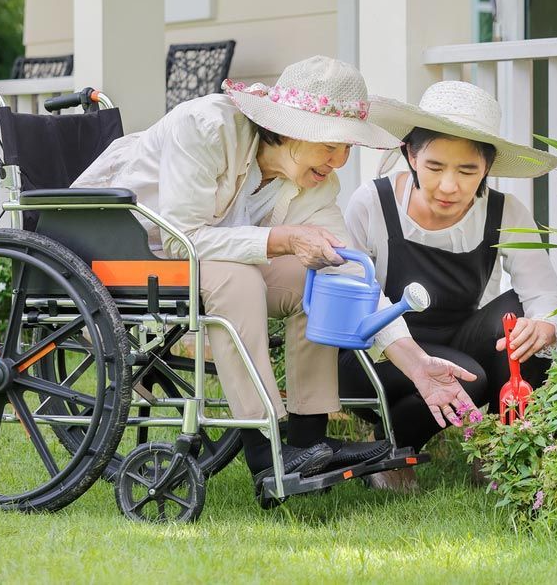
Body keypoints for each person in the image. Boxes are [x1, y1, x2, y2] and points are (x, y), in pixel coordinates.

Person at [72, 56, 478, 494]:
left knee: (323, 280)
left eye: (348, 148)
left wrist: (416, 362)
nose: (339, 160)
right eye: (331, 145)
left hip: (204, 260)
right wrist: (281, 239)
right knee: (240, 277)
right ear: (289, 129)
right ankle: (266, 449)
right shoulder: (206, 127)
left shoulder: (315, 182)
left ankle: (308, 438)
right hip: (123, 248)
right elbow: (181, 237)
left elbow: (352, 273)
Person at [339, 80, 557, 489]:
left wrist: (545, 326)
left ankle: (506, 452)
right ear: (410, 154)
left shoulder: (505, 211)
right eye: (434, 167)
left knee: (521, 319)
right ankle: (393, 449)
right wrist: (410, 356)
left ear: (488, 167)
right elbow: (355, 299)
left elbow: (544, 294)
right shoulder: (372, 203)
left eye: (467, 171)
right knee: (470, 377)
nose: (450, 186)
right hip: (376, 354)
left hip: (458, 339)